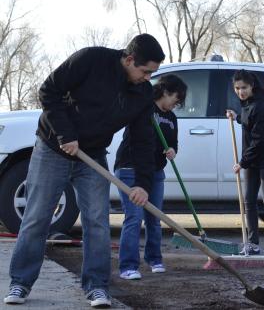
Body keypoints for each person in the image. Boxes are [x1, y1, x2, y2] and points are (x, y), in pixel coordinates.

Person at [4, 34, 165, 308]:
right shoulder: (90, 60)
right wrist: (65, 133)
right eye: (145, 71)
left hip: (92, 156)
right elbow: (48, 91)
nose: (148, 78)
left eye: (153, 73)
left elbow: (142, 141)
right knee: (37, 217)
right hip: (52, 148)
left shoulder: (143, 93)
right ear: (129, 59)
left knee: (97, 222)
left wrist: (142, 184)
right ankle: (20, 282)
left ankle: (96, 286)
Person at [114, 74, 187, 280]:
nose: (177, 103)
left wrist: (172, 150)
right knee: (134, 217)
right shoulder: (144, 108)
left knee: (154, 218)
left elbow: (174, 143)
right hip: (130, 169)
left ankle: (154, 259)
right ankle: (128, 266)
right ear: (165, 91)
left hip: (155, 172)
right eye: (176, 97)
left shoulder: (171, 118)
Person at [226, 69, 264, 257]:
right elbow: (248, 121)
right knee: (249, 200)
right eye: (237, 88)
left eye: (244, 87)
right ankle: (252, 244)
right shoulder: (247, 103)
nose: (240, 92)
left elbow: (259, 138)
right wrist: (236, 117)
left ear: (252, 86)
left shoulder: (262, 104)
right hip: (253, 160)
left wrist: (242, 162)